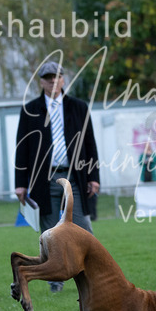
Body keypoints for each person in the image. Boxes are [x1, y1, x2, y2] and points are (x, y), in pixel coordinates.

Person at [14, 61, 101, 292]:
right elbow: (21, 148)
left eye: (57, 76)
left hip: (74, 177)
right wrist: (20, 184)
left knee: (83, 230)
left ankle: (95, 278)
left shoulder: (79, 107)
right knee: (51, 234)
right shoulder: (30, 109)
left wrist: (93, 176)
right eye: (48, 77)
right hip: (44, 179)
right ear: (41, 81)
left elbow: (90, 143)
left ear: (64, 79)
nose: (53, 80)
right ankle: (55, 282)